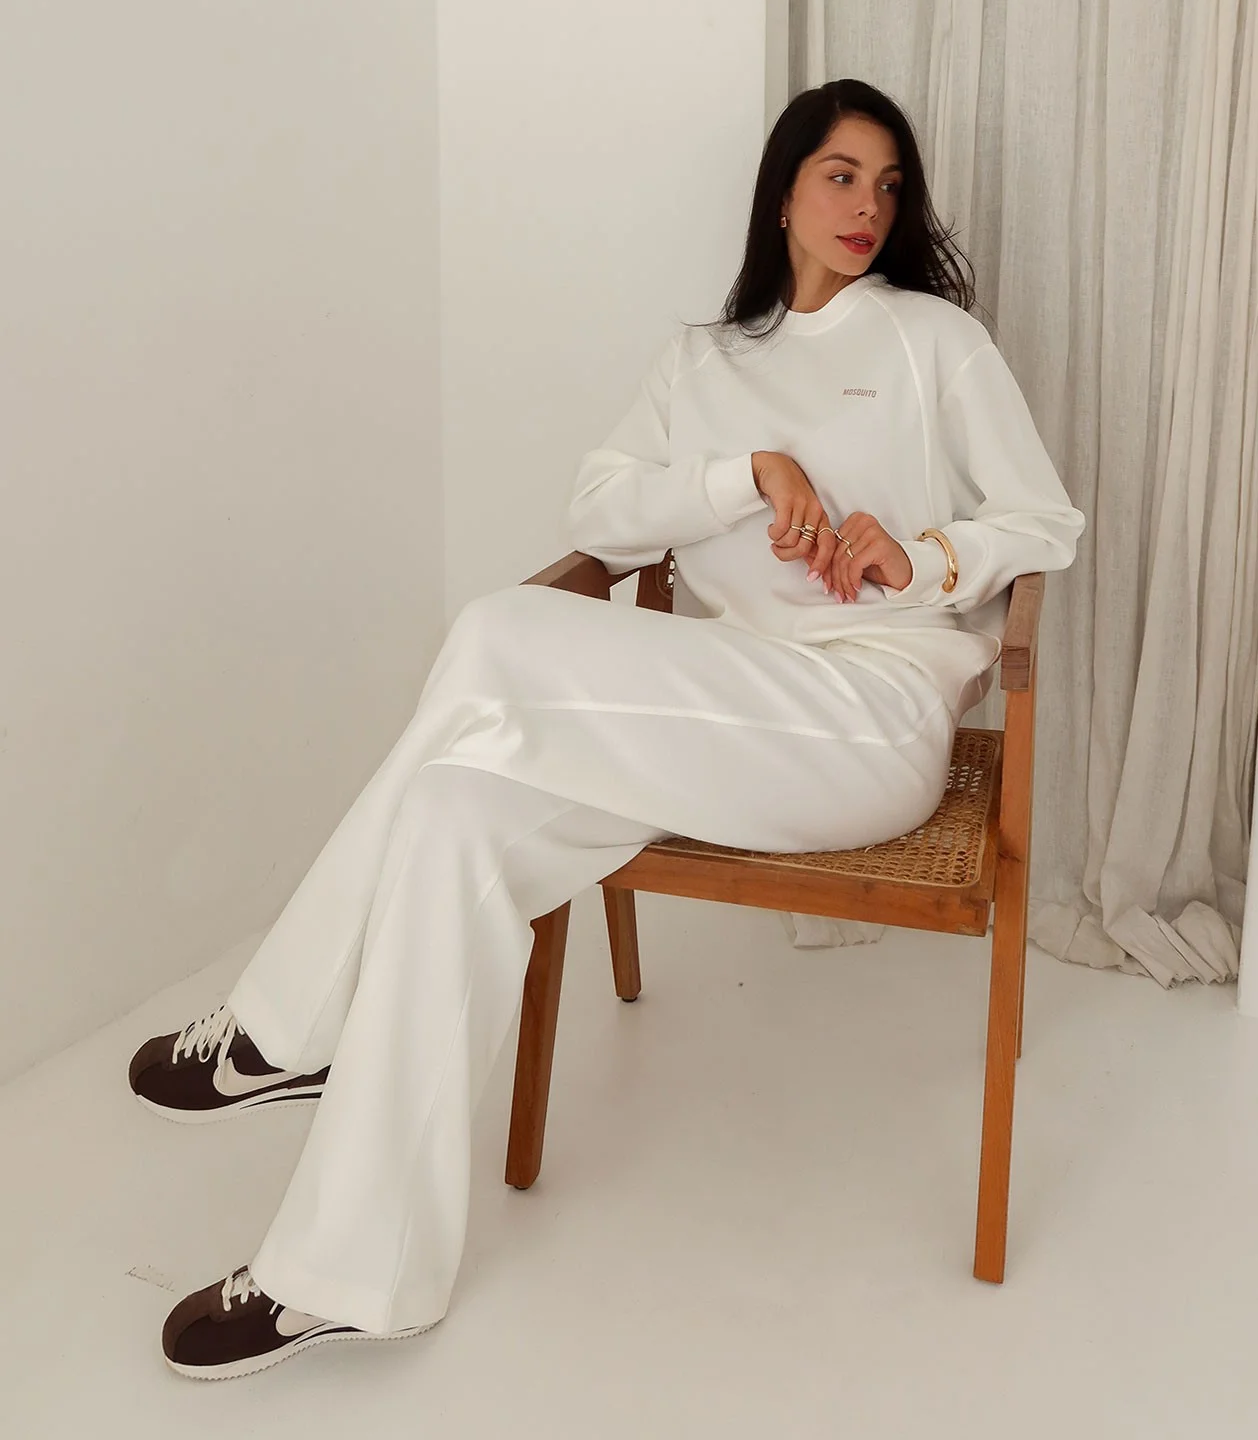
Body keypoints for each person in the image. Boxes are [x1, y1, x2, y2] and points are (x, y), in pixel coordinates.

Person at [128, 78, 1084, 1380]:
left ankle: (286, 1028)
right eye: (840, 174)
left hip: (861, 717)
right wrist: (745, 475)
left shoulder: (933, 343)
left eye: (887, 184)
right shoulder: (704, 363)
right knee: (453, 813)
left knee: (494, 631)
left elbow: (1043, 523)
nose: (867, 205)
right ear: (783, 190)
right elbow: (602, 511)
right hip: (699, 714)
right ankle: (346, 1272)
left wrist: (914, 556)